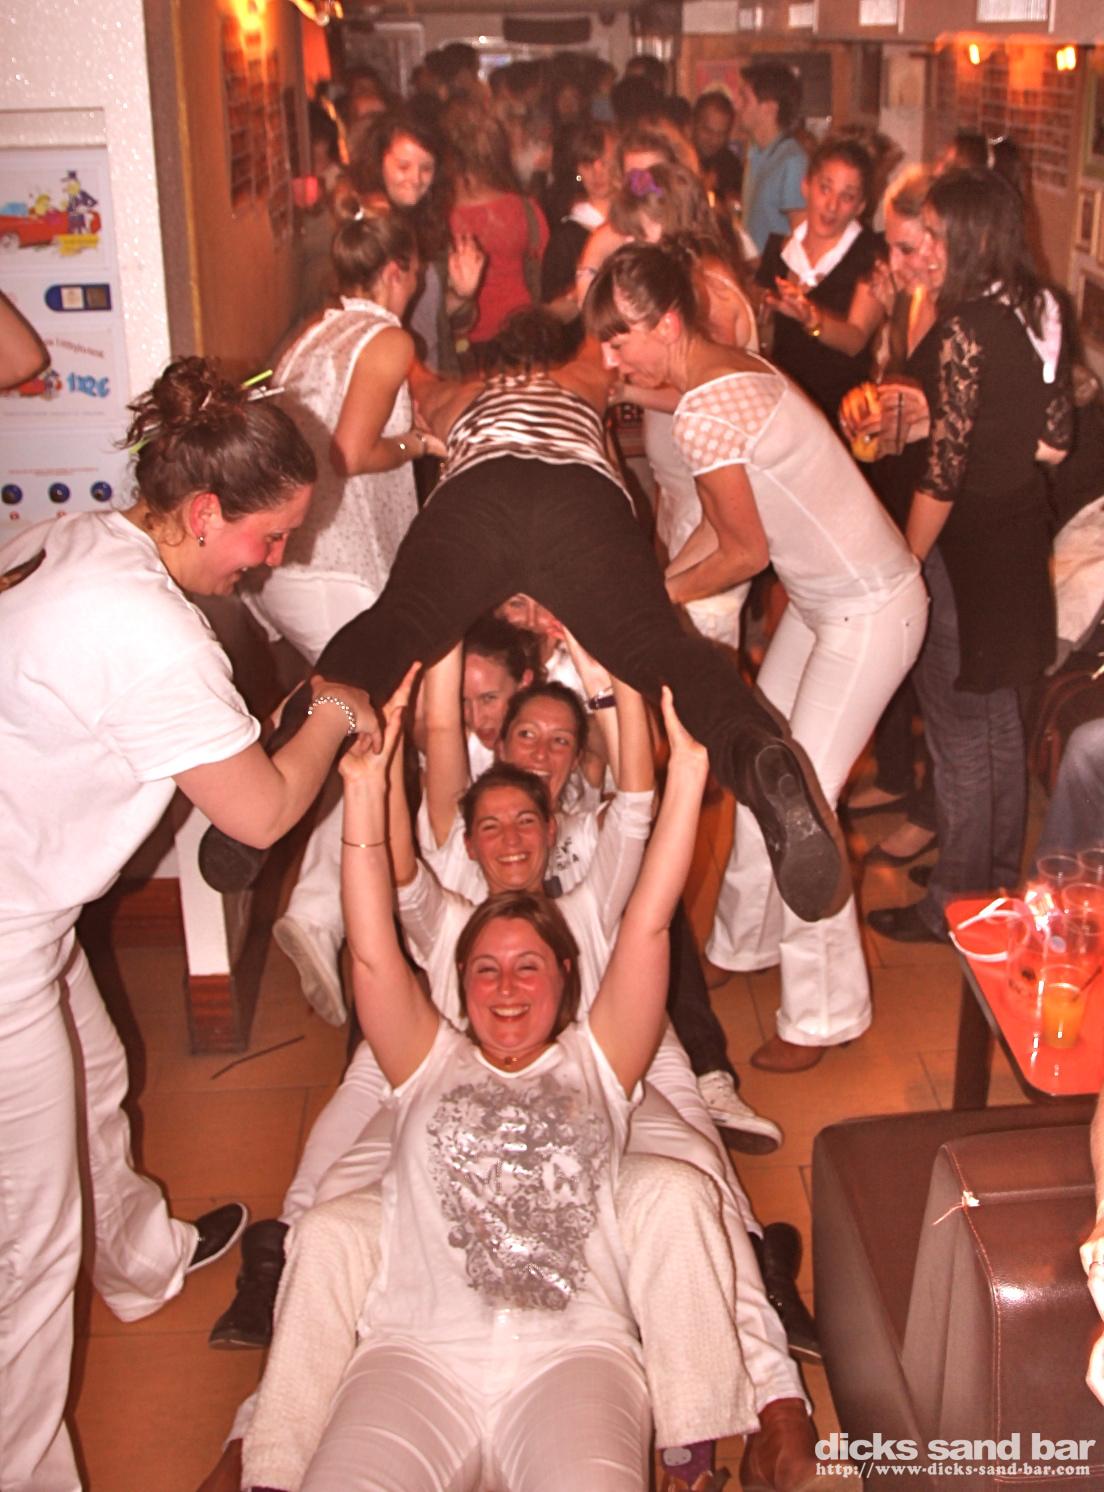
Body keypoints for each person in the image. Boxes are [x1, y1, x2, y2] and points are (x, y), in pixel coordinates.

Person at [0, 357, 377, 1488]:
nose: (279, 558)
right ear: (205, 510)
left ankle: (140, 1259)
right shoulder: (148, 632)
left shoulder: (90, 541)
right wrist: (334, 709)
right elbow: (260, 812)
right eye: (271, 536)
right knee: (28, 1252)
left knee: (96, 1076)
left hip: (28, 905)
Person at [198, 305, 846, 930]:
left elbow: (411, 377)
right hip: (579, 497)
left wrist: (397, 385)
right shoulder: (587, 375)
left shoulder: (456, 393)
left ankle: (271, 772)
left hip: (478, 493)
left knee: (388, 634)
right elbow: (621, 349)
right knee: (662, 652)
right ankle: (756, 754)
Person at [589, 241, 927, 1072]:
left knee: (800, 803)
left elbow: (741, 552)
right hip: (824, 605)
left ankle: (823, 1015)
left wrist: (650, 600)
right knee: (759, 765)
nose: (614, 361)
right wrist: (655, 590)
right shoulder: (726, 372)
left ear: (667, 324)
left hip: (872, 608)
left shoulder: (707, 412)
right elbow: (719, 530)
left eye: (621, 341)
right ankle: (746, 943)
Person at [242, 199, 440, 1026]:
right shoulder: (389, 339)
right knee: (382, 730)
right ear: (399, 270)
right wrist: (419, 445)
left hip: (286, 570)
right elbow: (351, 452)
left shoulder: (311, 332)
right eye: (418, 270)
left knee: (348, 722)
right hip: (341, 569)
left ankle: (329, 900)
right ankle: (323, 910)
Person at [866, 168, 1073, 944]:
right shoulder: (1041, 306)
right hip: (1018, 541)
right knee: (998, 732)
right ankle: (985, 883)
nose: (927, 249)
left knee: (962, 737)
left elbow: (944, 475)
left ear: (974, 237)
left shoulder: (964, 327)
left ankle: (957, 902)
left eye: (938, 234)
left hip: (966, 550)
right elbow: (1052, 442)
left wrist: (905, 563)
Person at [838, 164, 939, 864]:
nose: (896, 264)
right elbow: (897, 385)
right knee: (899, 643)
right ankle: (898, 774)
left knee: (934, 659)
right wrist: (866, 399)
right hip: (900, 480)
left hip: (940, 496)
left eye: (908, 248)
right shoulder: (910, 299)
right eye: (894, 246)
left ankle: (933, 809)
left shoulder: (962, 311)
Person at [348, 106, 486, 375]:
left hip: (435, 372)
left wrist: (462, 294)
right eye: (403, 167)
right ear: (378, 163)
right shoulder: (365, 231)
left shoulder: (430, 223)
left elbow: (442, 321)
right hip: (387, 377)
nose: (415, 179)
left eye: (426, 169)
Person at [758, 136, 886, 423]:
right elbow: (766, 336)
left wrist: (812, 319)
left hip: (842, 409)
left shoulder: (870, 254)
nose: (831, 205)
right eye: (825, 188)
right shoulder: (780, 251)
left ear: (860, 206)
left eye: (847, 197)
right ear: (806, 186)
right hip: (786, 405)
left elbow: (856, 339)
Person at [444, 98, 550, 357]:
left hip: (462, 337)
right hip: (521, 328)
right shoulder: (525, 208)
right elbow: (541, 258)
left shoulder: (438, 215)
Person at [734, 62, 807, 256]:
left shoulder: (793, 162)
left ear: (769, 108)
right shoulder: (755, 153)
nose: (736, 104)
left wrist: (765, 264)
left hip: (774, 272)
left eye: (744, 98)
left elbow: (800, 237)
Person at [691, 89, 742, 206]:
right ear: (693, 123)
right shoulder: (678, 157)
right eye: (708, 131)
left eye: (721, 134)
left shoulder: (731, 165)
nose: (714, 141)